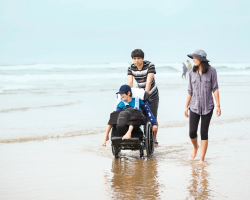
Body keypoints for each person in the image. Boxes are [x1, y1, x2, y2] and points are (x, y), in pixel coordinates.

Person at [184, 49, 221, 164]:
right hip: (194, 106)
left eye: (196, 58)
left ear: (202, 60)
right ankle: (195, 147)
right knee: (192, 132)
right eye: (193, 58)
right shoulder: (191, 73)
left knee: (204, 132)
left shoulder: (212, 71)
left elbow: (215, 88)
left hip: (208, 106)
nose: (193, 60)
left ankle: (201, 159)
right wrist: (186, 106)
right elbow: (190, 91)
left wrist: (218, 105)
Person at [127, 49, 159, 147]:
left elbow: (149, 82)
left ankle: (154, 138)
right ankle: (140, 137)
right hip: (140, 94)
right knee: (139, 116)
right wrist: (128, 96)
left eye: (138, 58)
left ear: (143, 59)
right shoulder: (131, 68)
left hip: (152, 95)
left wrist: (146, 95)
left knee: (152, 116)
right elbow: (130, 83)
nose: (136, 60)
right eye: (134, 58)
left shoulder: (150, 65)